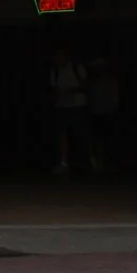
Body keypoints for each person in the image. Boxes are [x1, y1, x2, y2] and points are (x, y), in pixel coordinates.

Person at [48, 46, 89, 177]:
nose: (58, 59)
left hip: (77, 106)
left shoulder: (76, 67)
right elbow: (54, 89)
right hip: (61, 107)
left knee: (79, 134)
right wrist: (57, 97)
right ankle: (63, 163)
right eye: (56, 56)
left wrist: (71, 90)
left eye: (61, 56)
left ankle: (83, 163)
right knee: (62, 135)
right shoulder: (55, 71)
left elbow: (86, 85)